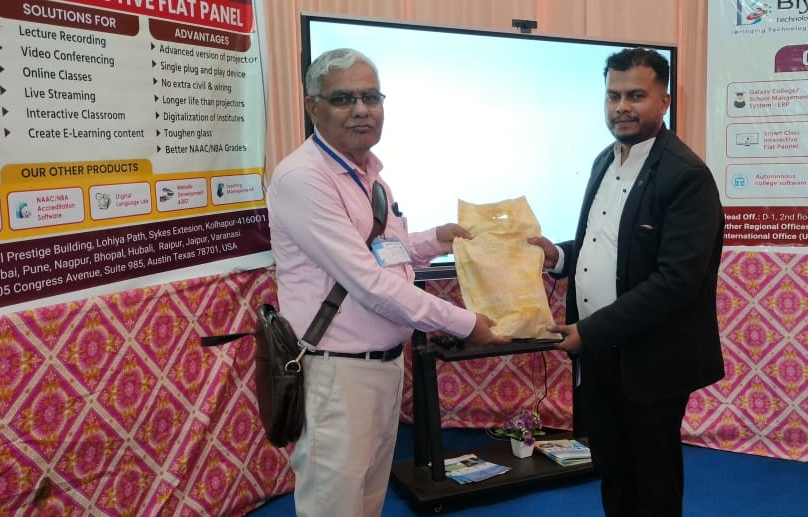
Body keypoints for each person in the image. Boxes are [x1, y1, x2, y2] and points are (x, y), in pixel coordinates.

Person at [267, 48, 508, 516]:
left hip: (383, 366)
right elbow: (370, 283)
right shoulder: (303, 178)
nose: (361, 110)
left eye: (371, 97)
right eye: (343, 99)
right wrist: (464, 323)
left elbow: (383, 253)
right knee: (334, 505)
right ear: (313, 107)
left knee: (367, 500)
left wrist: (434, 240)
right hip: (337, 374)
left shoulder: (371, 176)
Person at [529, 48, 725, 516]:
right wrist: (558, 256)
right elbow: (607, 245)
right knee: (612, 468)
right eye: (613, 96)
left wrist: (589, 332)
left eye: (636, 95)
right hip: (600, 355)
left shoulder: (687, 176)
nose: (622, 107)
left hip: (652, 360)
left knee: (653, 480)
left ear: (665, 101)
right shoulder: (605, 159)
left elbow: (675, 282)